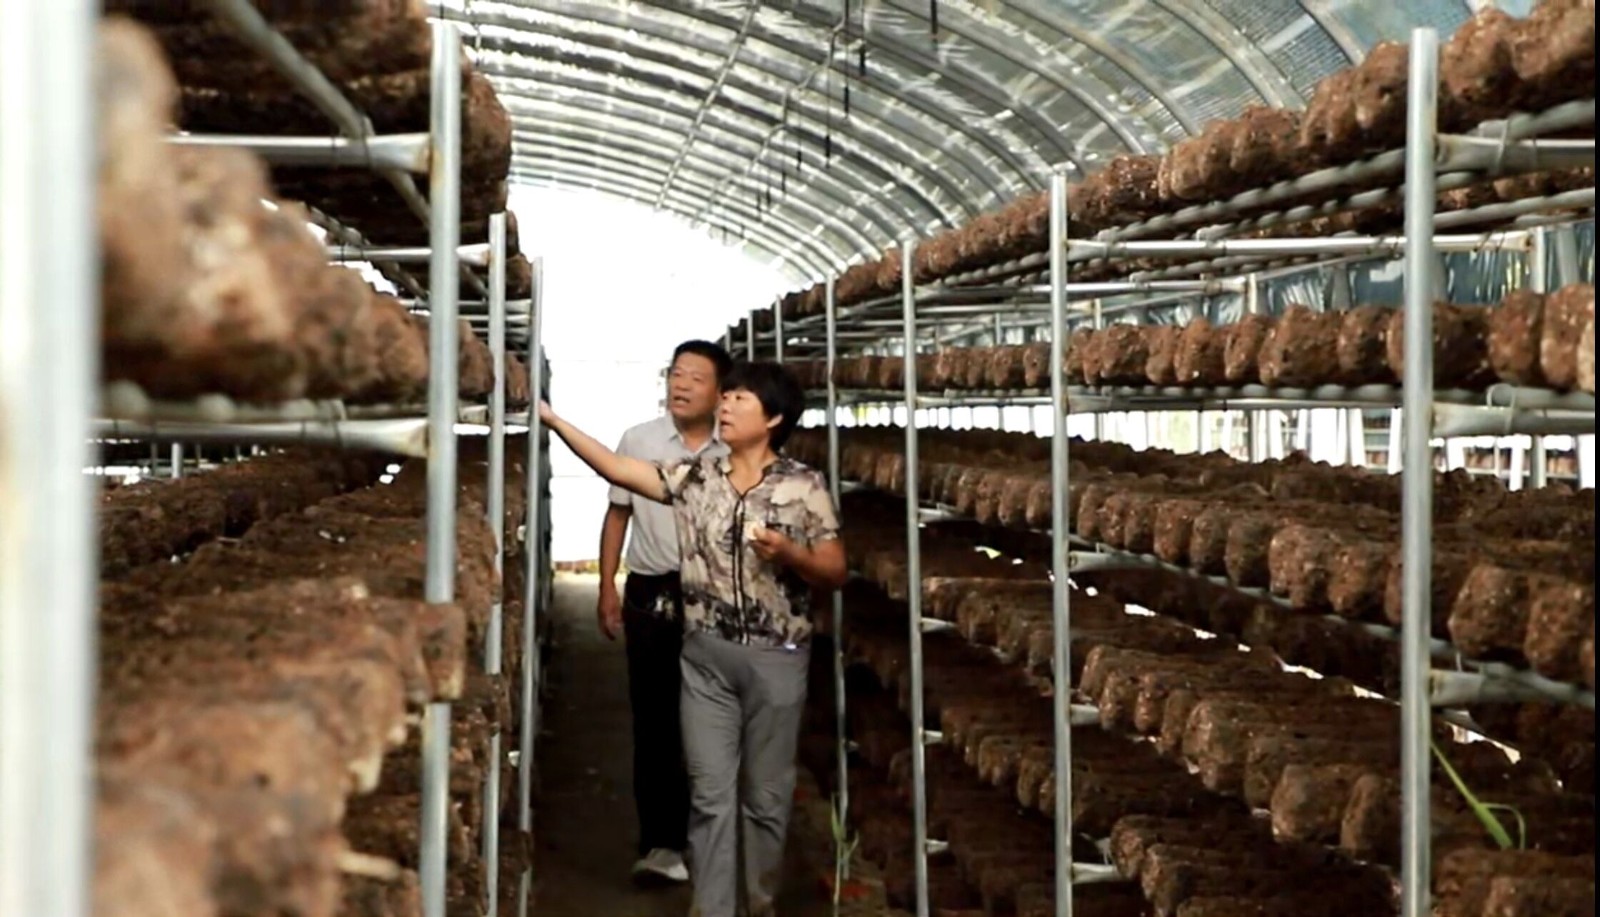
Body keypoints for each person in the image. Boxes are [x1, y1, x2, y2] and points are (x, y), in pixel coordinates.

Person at [540, 360, 848, 917]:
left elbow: (834, 568)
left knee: (765, 799)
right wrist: (553, 420)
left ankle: (759, 903)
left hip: (776, 659)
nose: (725, 406)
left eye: (740, 400)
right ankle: (712, 909)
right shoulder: (694, 477)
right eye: (725, 396)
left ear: (773, 417)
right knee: (709, 796)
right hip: (704, 656)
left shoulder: (803, 486)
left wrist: (791, 554)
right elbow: (616, 468)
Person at [597, 339, 731, 884]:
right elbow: (616, 515)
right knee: (654, 719)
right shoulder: (639, 439)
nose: (681, 385)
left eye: (696, 378)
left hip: (720, 594)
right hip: (652, 591)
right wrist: (607, 586)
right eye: (676, 374)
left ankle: (713, 841)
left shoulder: (736, 447)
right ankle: (661, 845)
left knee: (716, 721)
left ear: (721, 392)